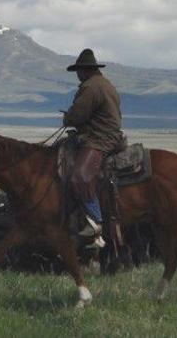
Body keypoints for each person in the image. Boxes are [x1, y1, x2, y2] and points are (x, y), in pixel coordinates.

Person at [62, 49, 125, 240]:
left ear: (85, 70)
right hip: (107, 135)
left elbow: (78, 115)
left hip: (99, 139)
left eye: (79, 71)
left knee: (79, 176)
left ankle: (95, 219)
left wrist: (67, 118)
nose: (78, 76)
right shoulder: (105, 84)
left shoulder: (91, 87)